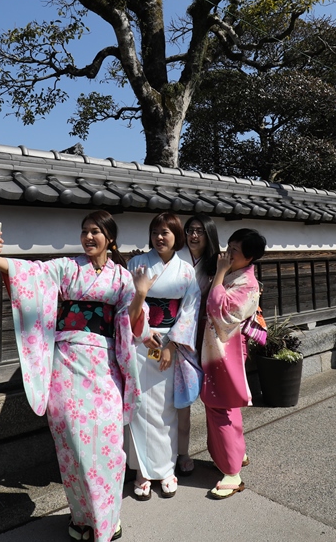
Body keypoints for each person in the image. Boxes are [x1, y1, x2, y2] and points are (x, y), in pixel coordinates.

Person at [0, 210, 152, 542]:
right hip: (66, 367)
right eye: (84, 231)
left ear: (110, 238)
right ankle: (83, 517)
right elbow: (28, 274)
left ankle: (107, 519)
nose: (88, 236)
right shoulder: (65, 268)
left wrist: (141, 293)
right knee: (73, 447)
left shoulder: (121, 278)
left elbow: (130, 323)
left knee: (108, 446)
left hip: (104, 369)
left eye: (96, 231)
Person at [125, 212, 201, 501]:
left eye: (166, 232)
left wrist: (172, 345)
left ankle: (167, 469)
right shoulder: (137, 264)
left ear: (176, 237)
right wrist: (144, 334)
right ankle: (142, 471)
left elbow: (190, 310)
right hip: (141, 342)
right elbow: (127, 306)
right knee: (140, 406)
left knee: (167, 409)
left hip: (170, 344)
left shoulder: (186, 271)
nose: (159, 237)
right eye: (155, 231)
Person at [201, 227, 266, 500]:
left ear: (249, 258)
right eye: (228, 247)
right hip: (219, 349)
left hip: (225, 352)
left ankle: (232, 473)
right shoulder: (236, 275)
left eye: (234, 251)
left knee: (220, 404)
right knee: (224, 404)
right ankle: (236, 453)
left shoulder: (247, 283)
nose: (227, 254)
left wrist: (218, 273)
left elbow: (219, 310)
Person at [173, 214, 220, 476]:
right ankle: (174, 452)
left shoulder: (216, 265)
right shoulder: (173, 257)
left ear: (208, 235)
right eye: (190, 230)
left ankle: (190, 451)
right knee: (171, 397)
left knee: (196, 396)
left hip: (200, 334)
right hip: (170, 332)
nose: (193, 235)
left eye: (200, 231)